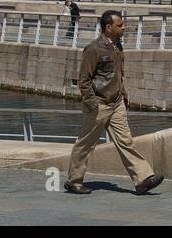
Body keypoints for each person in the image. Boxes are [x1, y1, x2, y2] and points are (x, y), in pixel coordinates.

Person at [65, 11, 164, 196]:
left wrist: (123, 94)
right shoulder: (93, 49)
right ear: (108, 28)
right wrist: (93, 103)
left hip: (116, 102)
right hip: (99, 104)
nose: (123, 27)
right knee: (86, 144)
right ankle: (73, 181)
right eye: (120, 25)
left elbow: (118, 74)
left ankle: (143, 179)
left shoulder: (117, 45)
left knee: (126, 141)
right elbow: (84, 80)